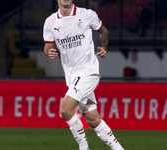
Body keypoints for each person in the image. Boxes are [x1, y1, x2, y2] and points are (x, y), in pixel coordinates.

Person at [43, 0, 124, 150]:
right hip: (72, 77)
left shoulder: (87, 15)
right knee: (92, 119)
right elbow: (48, 46)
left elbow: (104, 31)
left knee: (66, 110)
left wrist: (104, 47)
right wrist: (49, 52)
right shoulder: (50, 22)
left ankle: (83, 148)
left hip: (88, 72)